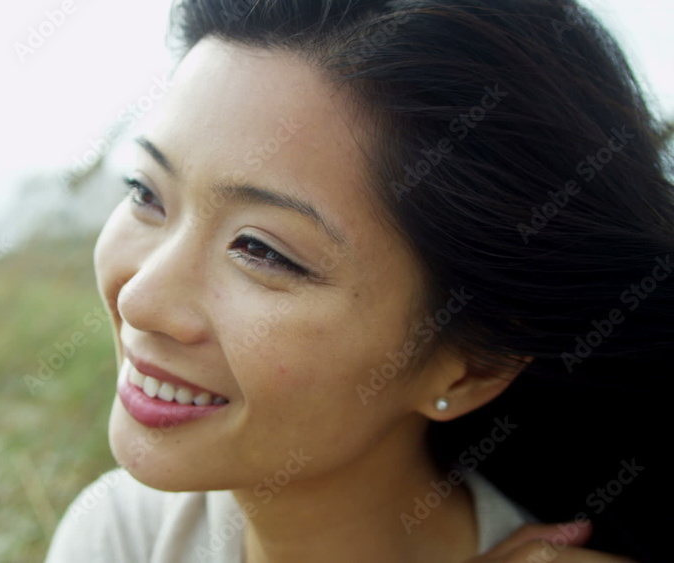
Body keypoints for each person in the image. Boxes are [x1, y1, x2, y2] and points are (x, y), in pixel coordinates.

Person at [46, 0, 673, 561]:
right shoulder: (121, 535)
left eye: (261, 251)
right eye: (146, 193)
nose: (139, 299)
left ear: (469, 367)